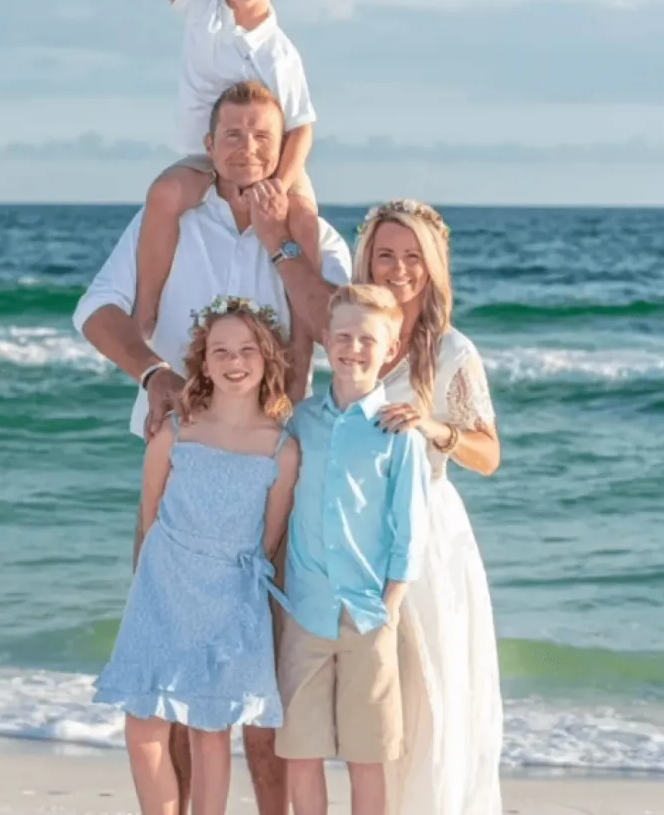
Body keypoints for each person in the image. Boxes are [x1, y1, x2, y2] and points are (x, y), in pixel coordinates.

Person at [73, 81, 351, 815]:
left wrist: (283, 244)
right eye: (232, 135)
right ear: (208, 141)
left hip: (271, 467)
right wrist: (155, 372)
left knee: (259, 684)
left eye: (263, 136)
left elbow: (340, 327)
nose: (247, 149)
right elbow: (95, 311)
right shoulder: (170, 213)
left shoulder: (310, 229)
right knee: (171, 694)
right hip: (184, 466)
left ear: (286, 143)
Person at [74, 0, 320, 396]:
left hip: (274, 161)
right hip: (206, 158)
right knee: (165, 192)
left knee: (306, 225)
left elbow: (302, 129)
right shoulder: (202, 8)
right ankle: (146, 308)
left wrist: (280, 187)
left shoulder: (280, 54)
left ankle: (301, 369)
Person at [94, 296, 299, 815]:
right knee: (143, 726)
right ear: (203, 362)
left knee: (211, 731)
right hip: (162, 589)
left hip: (230, 598)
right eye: (221, 351)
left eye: (247, 350)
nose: (235, 362)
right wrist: (146, 589)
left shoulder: (282, 448)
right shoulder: (177, 429)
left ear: (268, 356)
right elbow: (149, 514)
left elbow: (269, 539)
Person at [352, 200, 503, 815]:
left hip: (429, 536)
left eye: (414, 256)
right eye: (385, 254)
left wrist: (433, 428)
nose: (399, 268)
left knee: (430, 696)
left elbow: (488, 453)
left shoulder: (451, 351)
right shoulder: (349, 329)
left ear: (434, 266)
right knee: (373, 708)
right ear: (367, 258)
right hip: (355, 528)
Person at [276, 284, 431, 815]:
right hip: (306, 612)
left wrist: (389, 606)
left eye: (368, 339)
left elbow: (410, 530)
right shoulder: (299, 422)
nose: (354, 348)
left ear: (391, 349)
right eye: (343, 336)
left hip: (369, 616)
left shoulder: (399, 434)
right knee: (301, 753)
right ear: (324, 340)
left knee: (368, 757)